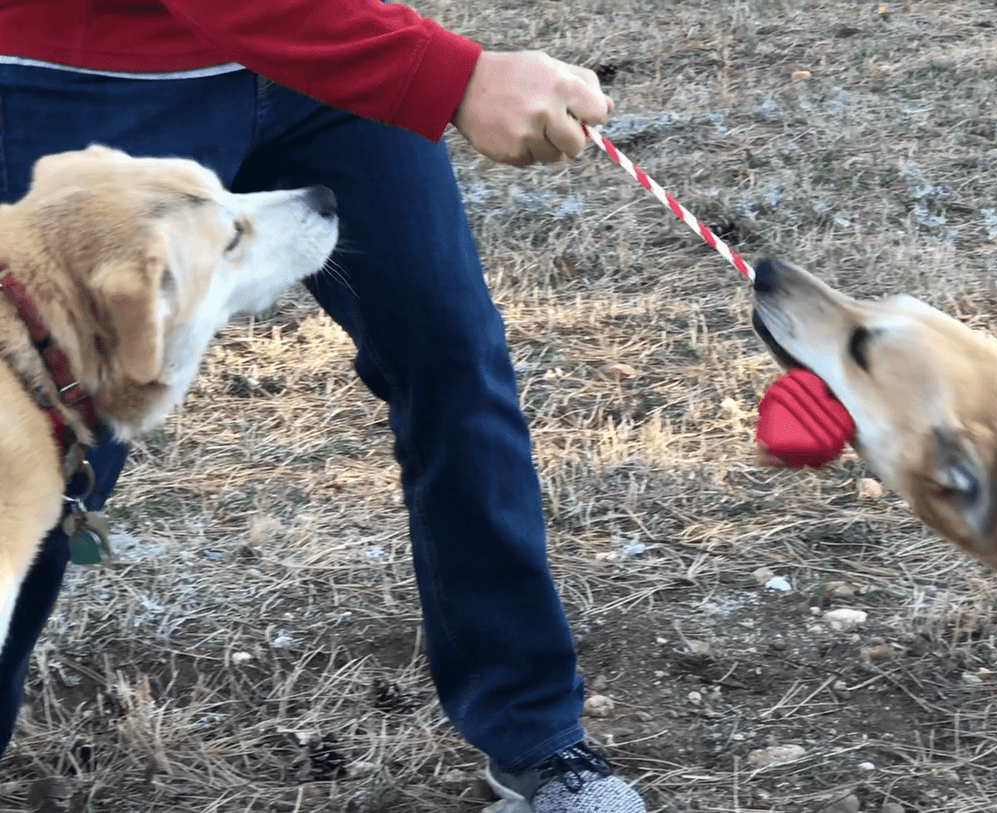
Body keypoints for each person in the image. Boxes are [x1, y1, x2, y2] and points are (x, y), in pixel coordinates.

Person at [0, 2, 645, 811]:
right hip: (96, 65)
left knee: (452, 360)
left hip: (329, 54)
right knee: (34, 438)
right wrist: (450, 74)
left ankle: (535, 734)